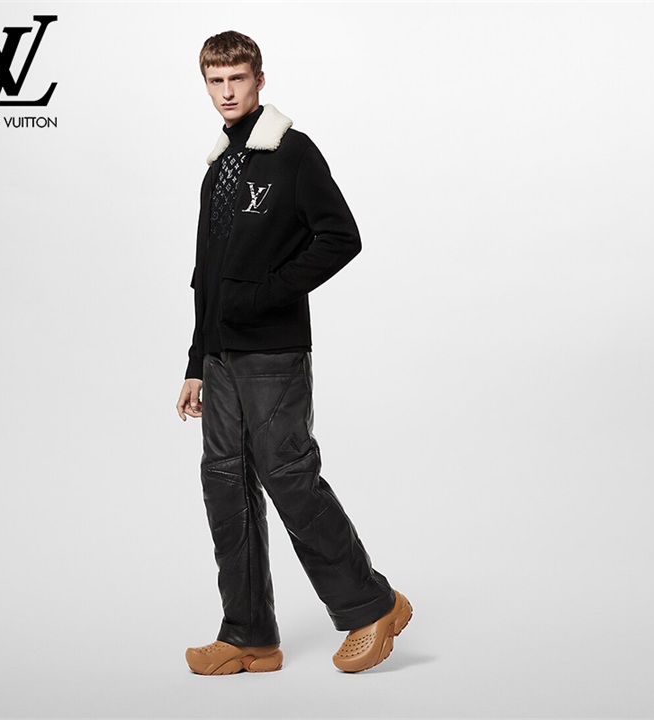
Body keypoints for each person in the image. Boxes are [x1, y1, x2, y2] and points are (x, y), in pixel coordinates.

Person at [176, 30, 412, 675]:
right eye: (216, 81)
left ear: (259, 80)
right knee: (224, 483)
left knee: (287, 476)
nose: (227, 92)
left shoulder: (293, 153)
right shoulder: (218, 166)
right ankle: (249, 633)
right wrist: (196, 360)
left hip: (273, 352)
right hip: (221, 358)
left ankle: (372, 605)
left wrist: (267, 294)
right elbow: (206, 274)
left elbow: (341, 237)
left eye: (237, 79)